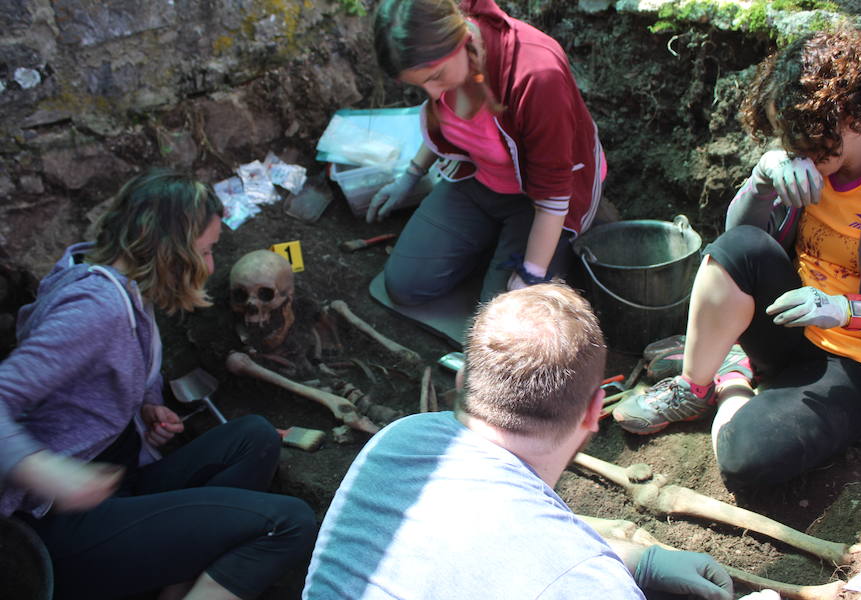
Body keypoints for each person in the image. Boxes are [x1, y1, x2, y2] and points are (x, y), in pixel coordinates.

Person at [302, 283, 733, 600]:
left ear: (460, 381)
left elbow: (479, 547)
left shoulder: (399, 439)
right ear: (594, 409)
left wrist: (636, 559)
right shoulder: (590, 587)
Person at [0, 170, 317, 600]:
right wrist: (49, 472)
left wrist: (146, 404)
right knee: (289, 523)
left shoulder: (120, 284)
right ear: (173, 249)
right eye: (206, 251)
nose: (210, 266)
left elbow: (104, 367)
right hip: (58, 522)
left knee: (256, 436)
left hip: (115, 480)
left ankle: (176, 581)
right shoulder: (96, 308)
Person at [613, 30, 861, 488]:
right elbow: (739, 241)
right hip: (791, 319)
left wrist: (846, 309)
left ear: (849, 116)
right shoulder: (811, 161)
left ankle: (732, 373)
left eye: (797, 136)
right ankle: (693, 386)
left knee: (745, 460)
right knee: (738, 248)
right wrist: (763, 176)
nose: (791, 149)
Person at [367, 0, 607, 305]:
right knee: (404, 285)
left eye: (435, 77)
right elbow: (445, 124)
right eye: (421, 86)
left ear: (464, 41)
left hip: (540, 200)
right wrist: (410, 176)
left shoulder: (536, 76)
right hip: (478, 177)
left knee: (502, 318)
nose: (434, 94)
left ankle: (535, 255)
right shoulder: (445, 66)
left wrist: (530, 274)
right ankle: (489, 245)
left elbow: (554, 193)